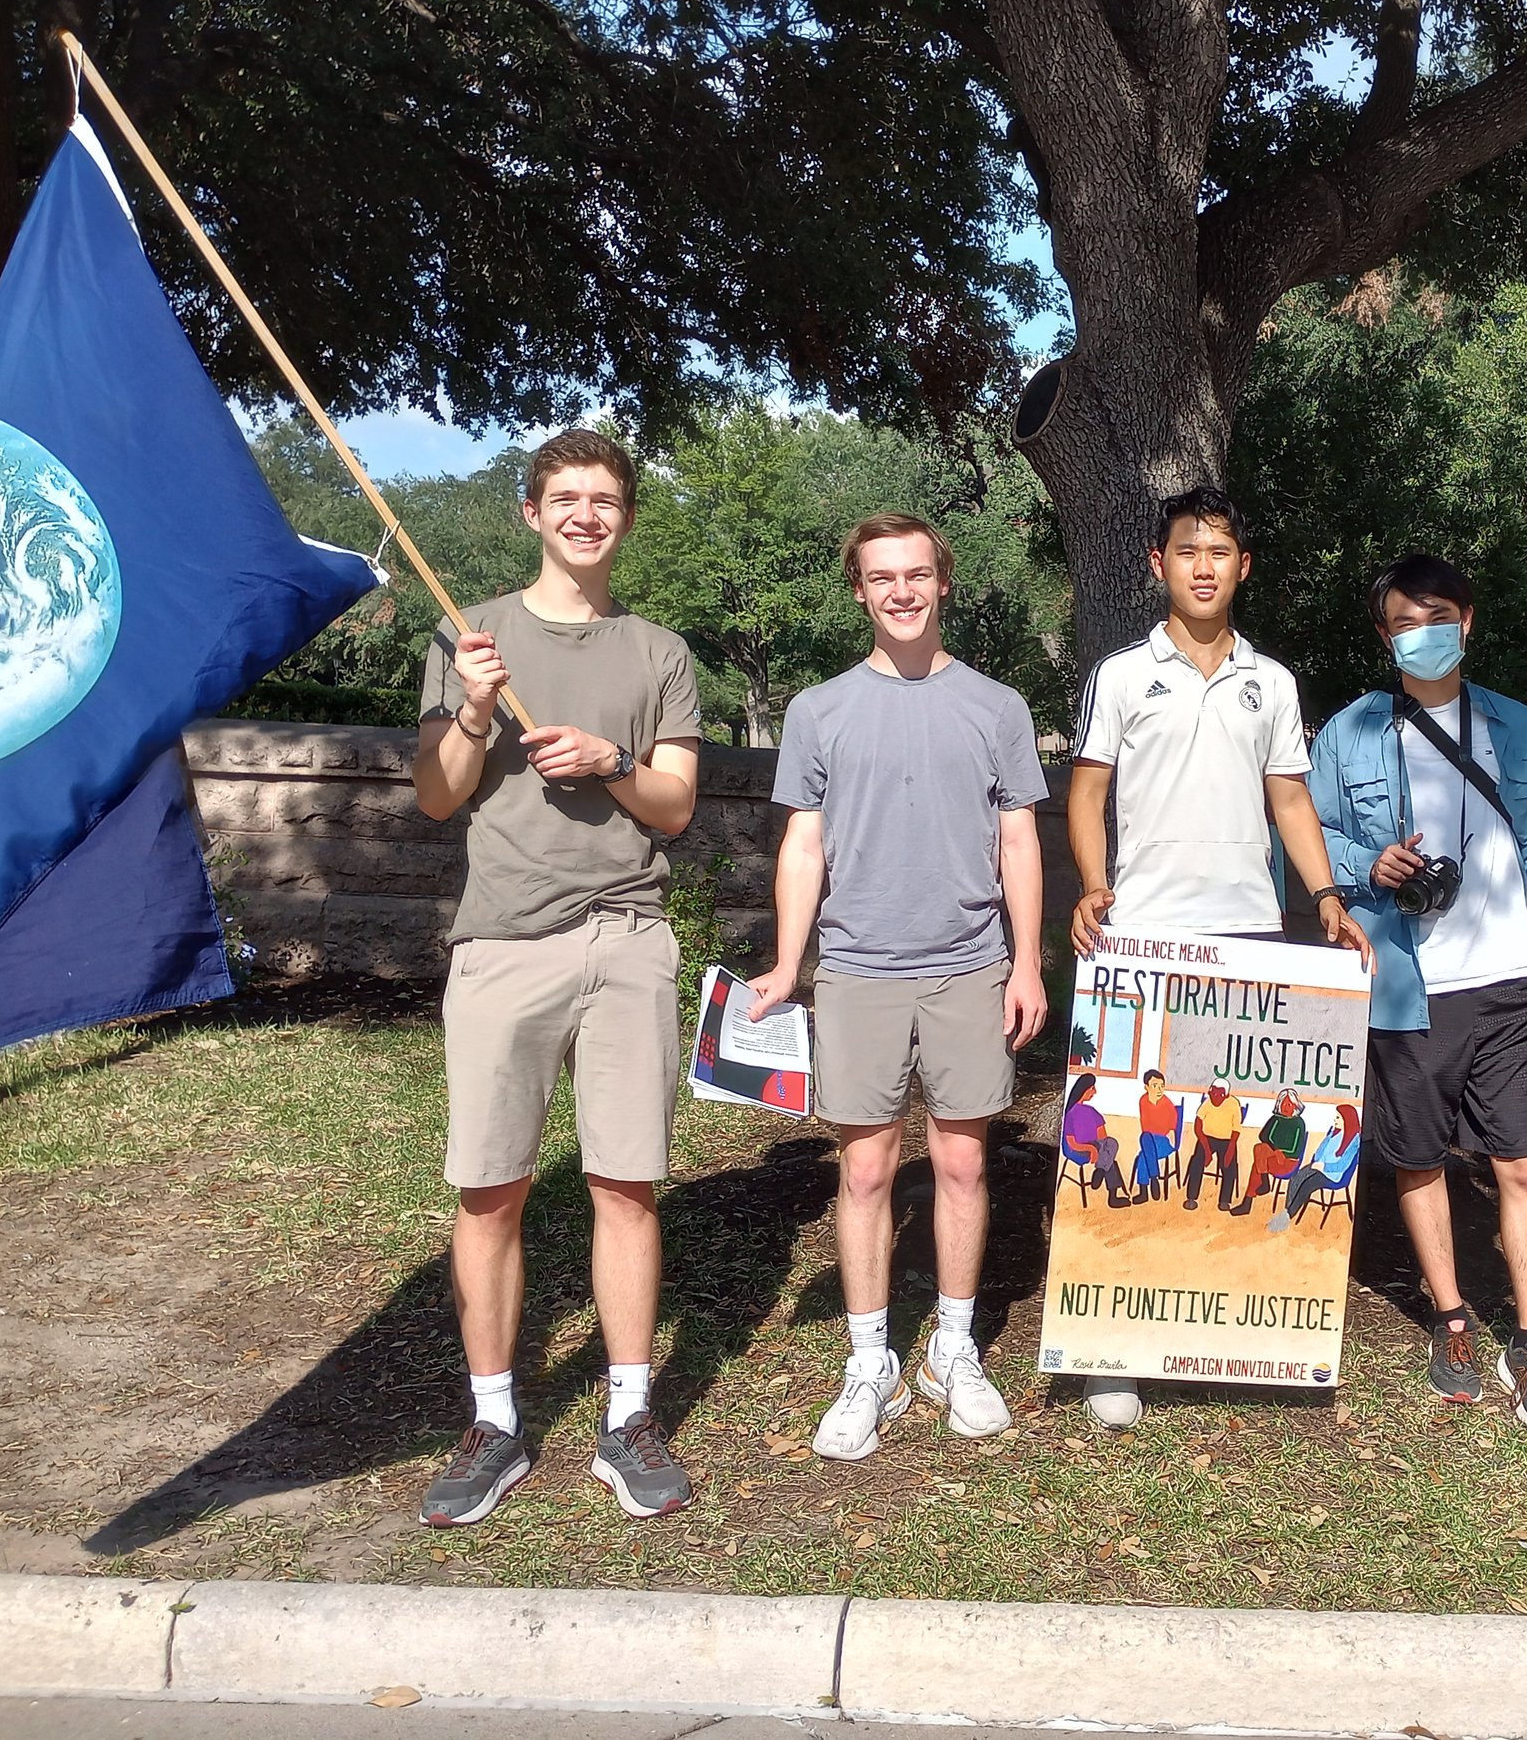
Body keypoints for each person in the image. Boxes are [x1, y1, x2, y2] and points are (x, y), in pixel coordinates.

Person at [411, 429, 702, 1527]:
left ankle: (628, 1417)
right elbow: (438, 795)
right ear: (532, 512)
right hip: (503, 943)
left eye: (606, 499)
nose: (587, 515)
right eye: (566, 498)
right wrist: (477, 708)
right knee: (490, 1186)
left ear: (625, 517)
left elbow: (674, 803)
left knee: (625, 1181)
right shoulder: (470, 633)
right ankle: (493, 1422)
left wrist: (611, 762)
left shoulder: (658, 650)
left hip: (627, 935)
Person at [1065, 484, 1371, 1427]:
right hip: (1144, 939)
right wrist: (1091, 884)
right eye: (1187, 550)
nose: (1204, 565)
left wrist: (1326, 899)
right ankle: (1116, 1351)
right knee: (1135, 1138)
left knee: (1225, 1138)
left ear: (1244, 567)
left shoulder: (1270, 683)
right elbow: (1085, 795)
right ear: (1157, 565)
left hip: (1247, 938)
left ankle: (1237, 1329)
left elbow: (1290, 802)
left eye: (1221, 550)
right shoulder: (1120, 674)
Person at [748, 511, 1051, 1461]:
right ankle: (868, 1359)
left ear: (943, 582)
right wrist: (789, 963)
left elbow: (1018, 842)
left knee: (963, 1165)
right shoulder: (818, 711)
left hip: (970, 967)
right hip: (856, 970)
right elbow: (803, 845)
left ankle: (953, 1351)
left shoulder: (996, 707)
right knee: (869, 1169)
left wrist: (1029, 960)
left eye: (917, 573)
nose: (902, 591)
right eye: (883, 578)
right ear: (860, 592)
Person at [1308, 554, 1527, 1434]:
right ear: (1383, 636)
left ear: (1468, 622)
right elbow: (1303, 841)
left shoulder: (1522, 729)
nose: (1419, 634)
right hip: (1409, 985)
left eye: (1436, 617)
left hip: (1516, 978)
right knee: (1419, 1155)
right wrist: (1364, 864)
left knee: (1524, 1161)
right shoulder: (1349, 734)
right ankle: (1454, 1319)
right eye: (1400, 622)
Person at [1270, 1103, 1363, 1231]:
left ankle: (1288, 1215)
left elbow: (1342, 1165)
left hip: (1334, 1174)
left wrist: (1323, 1167)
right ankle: (1287, 1211)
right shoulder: (1334, 1133)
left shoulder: (1354, 1140)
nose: (1335, 1120)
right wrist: (1317, 1160)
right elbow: (1319, 1153)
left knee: (1308, 1184)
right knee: (1296, 1176)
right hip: (1319, 1167)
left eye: (1338, 1118)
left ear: (1346, 1120)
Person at [1061, 1074, 1131, 1207]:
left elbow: (1103, 1138)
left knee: (1111, 1144)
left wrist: (1099, 1149)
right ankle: (1112, 1197)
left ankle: (1100, 1170)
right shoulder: (1070, 1114)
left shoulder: (1092, 1111)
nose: (1095, 1092)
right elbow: (1071, 1143)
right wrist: (1092, 1149)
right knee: (1109, 1159)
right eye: (1092, 1088)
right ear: (1084, 1089)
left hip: (1096, 1146)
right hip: (1078, 1149)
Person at [1183, 1082, 1245, 1212]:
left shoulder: (1234, 1104)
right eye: (1213, 1093)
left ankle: (1225, 1200)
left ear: (1226, 1095)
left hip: (1227, 1140)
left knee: (1230, 1165)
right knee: (1197, 1161)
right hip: (1207, 1138)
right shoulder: (1207, 1103)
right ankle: (1191, 1198)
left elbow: (1236, 1129)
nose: (1216, 1097)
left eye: (1220, 1094)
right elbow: (1198, 1125)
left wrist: (1231, 1148)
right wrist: (1206, 1149)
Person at [1244, 1091, 1311, 1210]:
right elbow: (1263, 1136)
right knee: (1260, 1149)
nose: (1285, 1107)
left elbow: (1295, 1150)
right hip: (1274, 1156)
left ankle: (1247, 1203)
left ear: (1295, 1106)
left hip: (1288, 1161)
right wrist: (1276, 1151)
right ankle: (1264, 1183)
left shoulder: (1298, 1123)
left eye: (1289, 1105)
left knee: (1258, 1164)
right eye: (1283, 1104)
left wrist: (1281, 1153)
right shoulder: (1276, 1119)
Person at [1132, 1069, 1181, 1199]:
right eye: (1155, 1085)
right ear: (1146, 1087)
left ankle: (1145, 1190)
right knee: (1145, 1144)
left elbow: (1172, 1129)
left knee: (1145, 1149)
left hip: (1165, 1142)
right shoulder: (1143, 1101)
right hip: (1149, 1140)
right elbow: (1146, 1126)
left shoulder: (1167, 1103)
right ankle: (1153, 1179)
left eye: (1161, 1086)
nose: (1159, 1089)